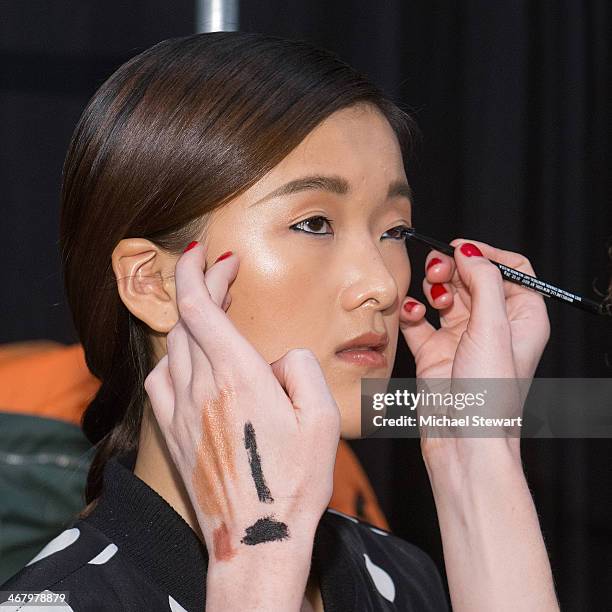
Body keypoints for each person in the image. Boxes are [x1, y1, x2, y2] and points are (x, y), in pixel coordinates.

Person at [0, 31, 559, 611]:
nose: (384, 284)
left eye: (394, 231)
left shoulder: (399, 578)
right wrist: (261, 558)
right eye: (314, 223)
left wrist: (478, 453)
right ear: (153, 281)